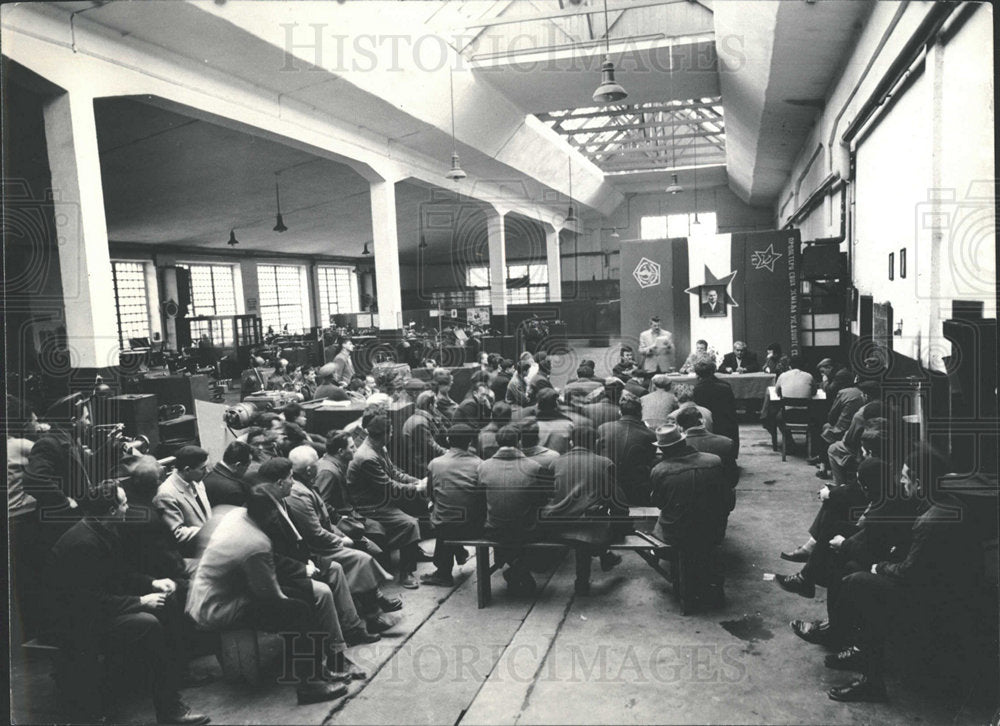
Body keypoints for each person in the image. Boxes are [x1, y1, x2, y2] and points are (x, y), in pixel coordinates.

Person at [816, 445, 983, 703]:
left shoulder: (931, 520)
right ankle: (857, 645)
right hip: (949, 591)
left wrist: (879, 567)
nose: (901, 481)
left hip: (941, 602)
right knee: (853, 569)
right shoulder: (945, 504)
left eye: (905, 477)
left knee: (858, 583)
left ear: (919, 481)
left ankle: (871, 680)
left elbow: (909, 573)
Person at [48, 480, 211, 724]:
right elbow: (86, 602)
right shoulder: (83, 544)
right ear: (112, 510)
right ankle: (169, 710)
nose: (128, 508)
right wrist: (140, 602)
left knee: (168, 600)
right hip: (77, 622)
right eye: (124, 503)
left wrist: (152, 583)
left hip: (98, 608)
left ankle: (176, 675)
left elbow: (119, 575)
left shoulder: (102, 528)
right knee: (147, 623)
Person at [186, 476, 353, 705]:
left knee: (302, 594)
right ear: (270, 514)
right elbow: (271, 595)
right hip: (218, 606)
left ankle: (320, 668)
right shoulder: (255, 542)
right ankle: (310, 684)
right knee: (298, 611)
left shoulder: (232, 513)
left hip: (212, 592)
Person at [285, 446, 397, 636]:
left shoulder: (305, 484)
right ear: (310, 469)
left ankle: (373, 607)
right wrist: (342, 541)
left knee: (369, 549)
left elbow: (326, 519)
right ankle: (372, 612)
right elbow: (315, 532)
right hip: (319, 548)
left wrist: (344, 536)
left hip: (327, 539)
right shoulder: (299, 493)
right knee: (361, 558)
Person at [649, 424, 729, 608]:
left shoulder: (660, 470)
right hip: (713, 529)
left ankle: (676, 571)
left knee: (661, 523)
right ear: (684, 441)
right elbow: (727, 498)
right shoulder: (714, 461)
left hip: (678, 535)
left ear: (662, 449)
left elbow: (659, 504)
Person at [540, 425, 627, 594]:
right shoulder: (604, 463)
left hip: (557, 526)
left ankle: (598, 563)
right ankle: (588, 573)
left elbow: (548, 496)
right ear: (595, 443)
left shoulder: (555, 463)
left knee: (583, 522)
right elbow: (618, 500)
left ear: (572, 443)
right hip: (590, 528)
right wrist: (621, 525)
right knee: (591, 524)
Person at [346, 413, 426, 589]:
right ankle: (406, 573)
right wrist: (418, 488)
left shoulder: (378, 447)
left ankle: (414, 551)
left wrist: (416, 481)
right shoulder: (367, 457)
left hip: (380, 499)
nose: (391, 435)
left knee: (419, 506)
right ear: (385, 434)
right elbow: (389, 487)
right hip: (369, 506)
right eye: (390, 432)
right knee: (409, 524)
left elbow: (394, 473)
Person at [479, 425, 553, 594]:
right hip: (528, 530)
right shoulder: (534, 467)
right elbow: (545, 499)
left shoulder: (483, 467)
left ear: (498, 443)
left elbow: (480, 498)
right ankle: (518, 568)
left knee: (506, 520)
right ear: (519, 442)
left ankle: (515, 566)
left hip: (493, 529)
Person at [421, 424, 485, 586]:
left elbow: (430, 494)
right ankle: (458, 553)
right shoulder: (480, 464)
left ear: (448, 440)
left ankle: (443, 572)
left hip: (445, 525)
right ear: (470, 442)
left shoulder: (435, 464)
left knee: (442, 511)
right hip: (475, 526)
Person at [314, 430, 387, 551]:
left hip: (350, 511)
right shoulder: (328, 472)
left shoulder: (335, 464)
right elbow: (321, 502)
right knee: (377, 531)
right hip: (341, 520)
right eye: (352, 447)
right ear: (341, 452)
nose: (356, 449)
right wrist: (339, 517)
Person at [153, 446, 212, 557]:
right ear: (187, 470)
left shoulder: (197, 482)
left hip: (209, 547)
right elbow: (177, 533)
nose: (207, 471)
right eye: (203, 468)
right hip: (192, 554)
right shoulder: (165, 494)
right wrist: (209, 533)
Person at [597, 394, 656, 505]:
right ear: (640, 412)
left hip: (606, 486)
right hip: (635, 488)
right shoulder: (650, 435)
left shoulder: (603, 428)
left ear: (620, 412)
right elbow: (649, 460)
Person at [675, 407, 738, 507]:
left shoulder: (676, 447)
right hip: (718, 501)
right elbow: (733, 478)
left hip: (686, 503)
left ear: (680, 427)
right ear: (703, 421)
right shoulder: (726, 443)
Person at [691, 358, 739, 456]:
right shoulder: (726, 386)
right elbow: (732, 410)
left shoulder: (696, 390)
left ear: (697, 374)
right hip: (726, 427)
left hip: (707, 427)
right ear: (713, 371)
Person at [400, 391, 449, 478]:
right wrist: (449, 454)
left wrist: (438, 419)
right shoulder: (420, 423)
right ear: (431, 406)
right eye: (436, 404)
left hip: (424, 461)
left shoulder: (420, 418)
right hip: (422, 466)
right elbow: (432, 447)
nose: (437, 407)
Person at [203, 440, 254, 507]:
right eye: (247, 465)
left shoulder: (206, 474)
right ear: (238, 465)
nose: (248, 469)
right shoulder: (235, 491)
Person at [534, 388, 575, 454]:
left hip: (538, 462)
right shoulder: (568, 424)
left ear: (538, 405)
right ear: (556, 404)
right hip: (560, 461)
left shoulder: (532, 425)